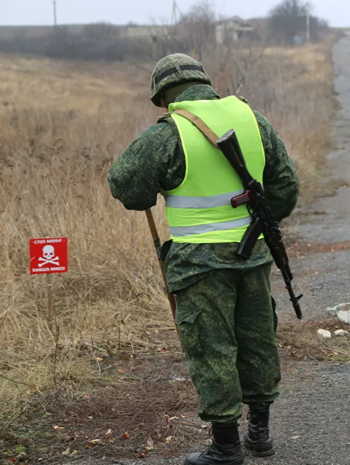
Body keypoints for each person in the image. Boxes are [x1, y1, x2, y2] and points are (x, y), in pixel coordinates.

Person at [108, 54, 299, 464]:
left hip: (199, 262)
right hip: (254, 254)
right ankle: (260, 433)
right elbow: (285, 185)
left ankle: (227, 446)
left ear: (163, 97)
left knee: (212, 348)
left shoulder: (168, 133)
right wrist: (260, 223)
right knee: (258, 340)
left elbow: (127, 188)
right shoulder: (252, 118)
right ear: (206, 83)